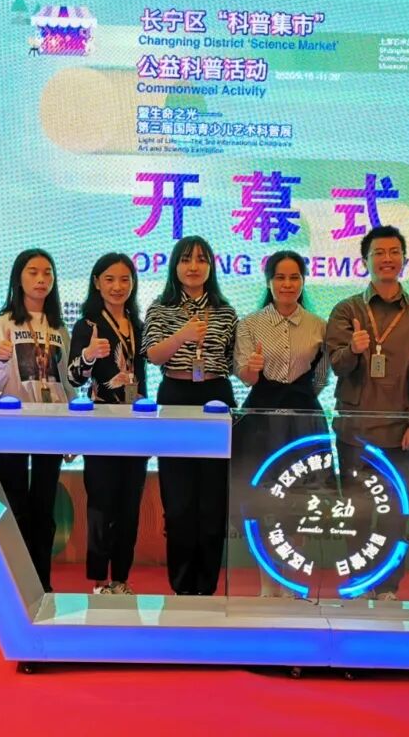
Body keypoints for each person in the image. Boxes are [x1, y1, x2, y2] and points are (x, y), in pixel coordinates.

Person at [325, 226, 409, 600]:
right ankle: (358, 582)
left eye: (394, 252)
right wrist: (354, 350)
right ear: (365, 261)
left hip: (401, 432)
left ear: (405, 260)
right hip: (354, 431)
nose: (387, 259)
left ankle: (387, 586)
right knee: (355, 512)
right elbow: (336, 366)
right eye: (378, 253)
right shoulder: (347, 309)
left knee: (394, 514)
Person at [144, 236, 238, 596]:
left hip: (215, 396)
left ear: (211, 266)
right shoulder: (160, 307)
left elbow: (233, 361)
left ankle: (207, 586)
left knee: (213, 500)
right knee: (179, 500)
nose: (193, 267)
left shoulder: (225, 311)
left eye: (201, 260)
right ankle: (182, 587)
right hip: (176, 395)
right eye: (186, 260)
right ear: (175, 266)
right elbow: (153, 355)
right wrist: (182, 336)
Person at [233, 251, 329, 596]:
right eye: (280, 277)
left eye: (294, 277)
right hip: (261, 422)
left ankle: (291, 582)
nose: (287, 284)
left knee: (300, 500)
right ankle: (266, 585)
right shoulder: (249, 324)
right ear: (269, 281)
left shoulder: (318, 325)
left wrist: (296, 398)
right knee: (262, 501)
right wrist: (253, 369)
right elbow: (243, 375)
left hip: (303, 422)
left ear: (303, 281)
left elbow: (321, 379)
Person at [0, 249, 73, 592]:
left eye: (47, 273)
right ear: (19, 277)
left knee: (44, 509)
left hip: (51, 426)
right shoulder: (3, 323)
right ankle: (17, 585)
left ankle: (42, 584)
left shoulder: (59, 327)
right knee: (14, 506)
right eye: (33, 272)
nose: (41, 279)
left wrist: (72, 434)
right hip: (12, 427)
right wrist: (1, 359)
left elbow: (68, 384)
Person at [68, 253, 148, 595]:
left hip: (138, 427)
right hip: (101, 425)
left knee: (130, 506)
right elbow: (74, 377)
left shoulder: (139, 325)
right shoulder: (87, 325)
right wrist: (88, 355)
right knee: (101, 505)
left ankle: (122, 579)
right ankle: (99, 581)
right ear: (97, 282)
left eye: (125, 279)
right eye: (110, 279)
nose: (118, 286)